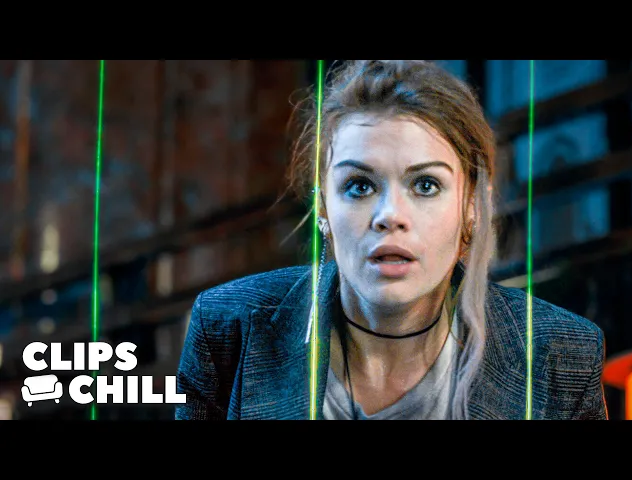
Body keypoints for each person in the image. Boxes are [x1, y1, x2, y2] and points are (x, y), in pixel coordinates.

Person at [175, 60, 608, 420]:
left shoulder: (561, 355)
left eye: (425, 185)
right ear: (323, 207)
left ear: (472, 205)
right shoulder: (228, 328)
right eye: (360, 186)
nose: (390, 217)